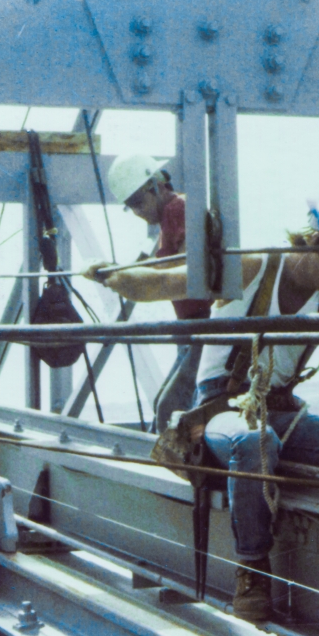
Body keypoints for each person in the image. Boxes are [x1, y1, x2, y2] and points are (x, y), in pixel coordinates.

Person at [85, 187, 319, 623]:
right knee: (254, 441)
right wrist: (111, 276)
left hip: (281, 411)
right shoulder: (254, 268)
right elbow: (161, 281)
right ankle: (252, 569)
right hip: (218, 409)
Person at [106, 154, 212, 432]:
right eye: (132, 207)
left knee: (171, 407)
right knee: (168, 404)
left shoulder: (178, 209)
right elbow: (153, 264)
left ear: (156, 186)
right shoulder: (169, 217)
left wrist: (119, 277)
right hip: (192, 328)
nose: (139, 212)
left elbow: (178, 267)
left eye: (139, 203)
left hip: (204, 325)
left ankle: (172, 471)